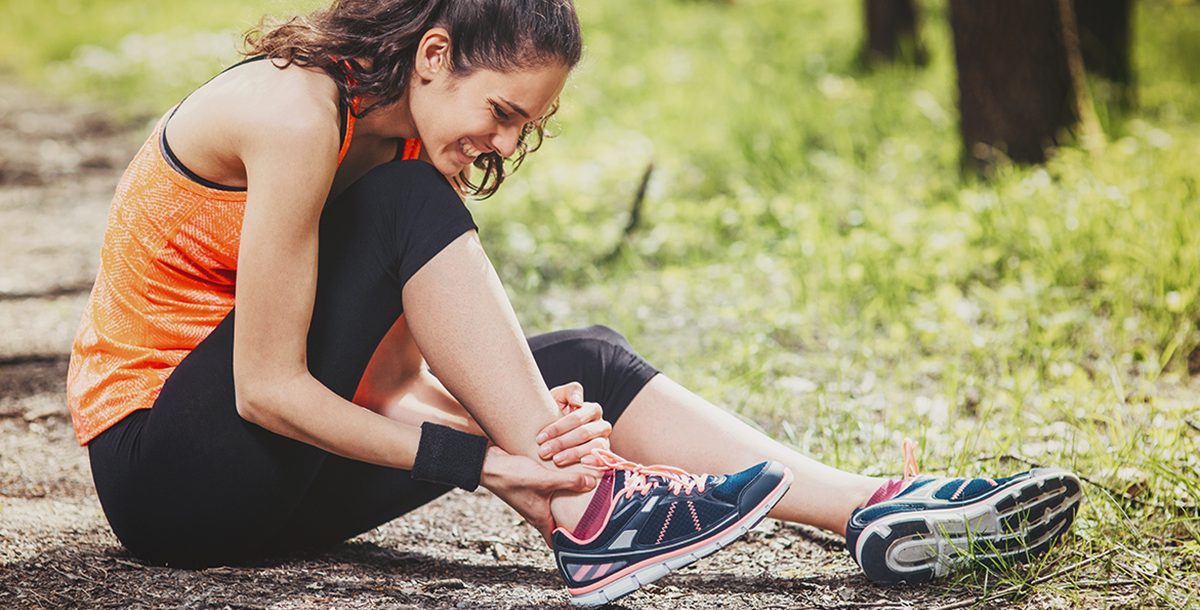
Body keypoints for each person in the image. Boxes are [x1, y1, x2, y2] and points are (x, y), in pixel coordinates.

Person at [65, 0, 1083, 606]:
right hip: (168, 475)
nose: (506, 144)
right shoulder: (294, 112)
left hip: (275, 481)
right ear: (432, 56)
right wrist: (493, 459)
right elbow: (269, 390)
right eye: (502, 112)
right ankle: (594, 518)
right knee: (422, 229)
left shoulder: (409, 148)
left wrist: (550, 452)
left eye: (529, 127)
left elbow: (386, 387)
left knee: (581, 366)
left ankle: (866, 508)